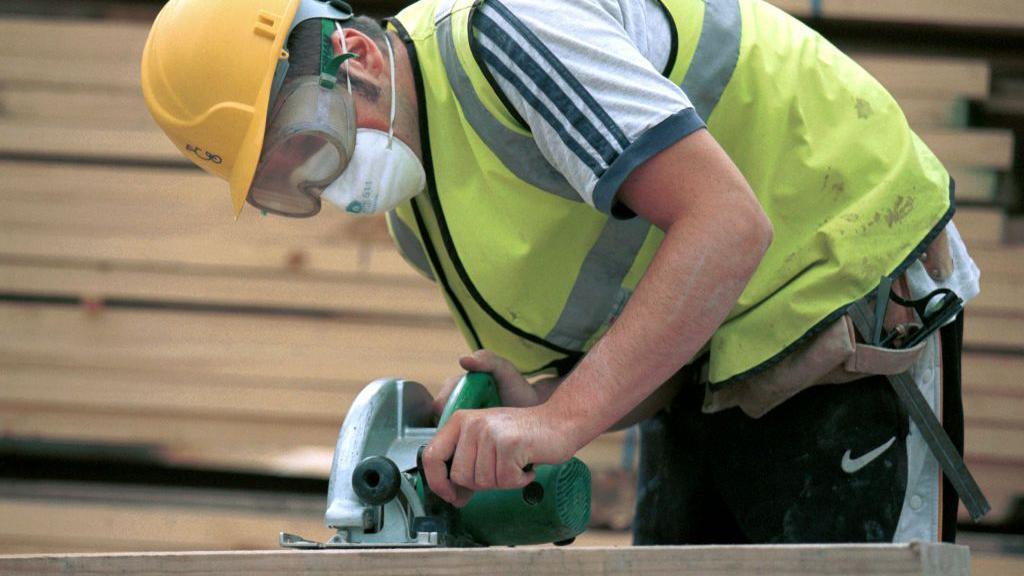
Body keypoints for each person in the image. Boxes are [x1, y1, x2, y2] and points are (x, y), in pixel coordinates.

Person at [141, 0, 984, 544]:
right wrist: (536, 406)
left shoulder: (506, 32)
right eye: (290, 179)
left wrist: (563, 419)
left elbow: (726, 225)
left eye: (306, 141)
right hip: (718, 365)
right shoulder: (422, 222)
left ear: (351, 53)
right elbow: (621, 356)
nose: (324, 182)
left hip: (846, 290)